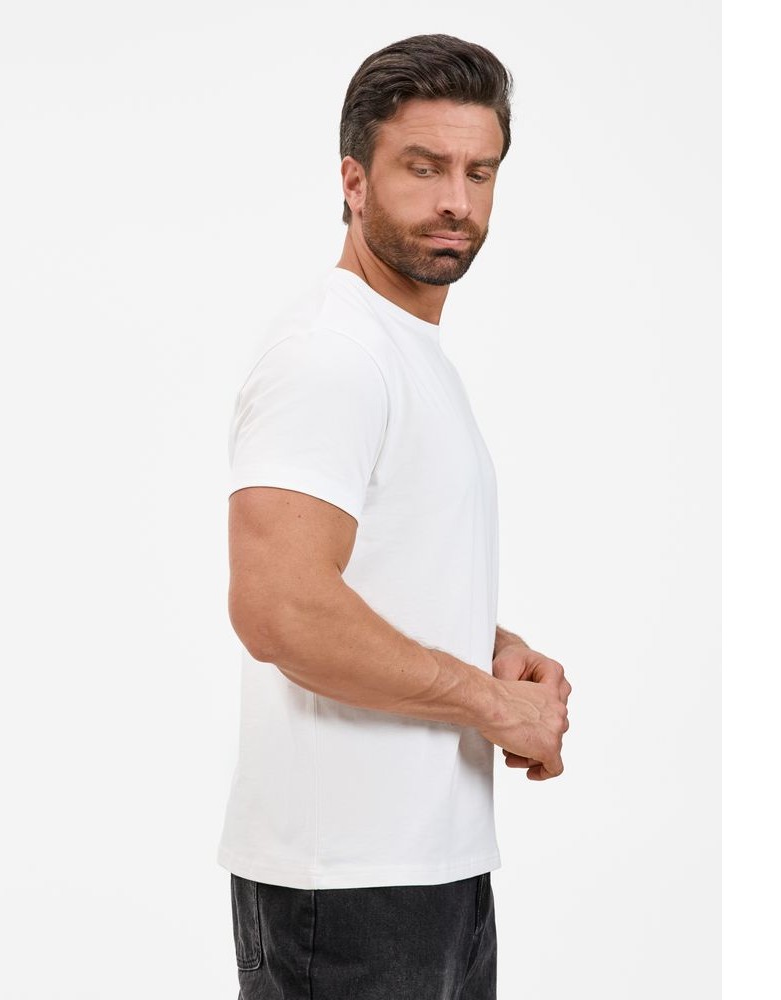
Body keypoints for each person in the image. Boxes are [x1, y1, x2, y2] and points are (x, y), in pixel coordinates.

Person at [218, 33, 572, 1000]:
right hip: (345, 886)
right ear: (353, 180)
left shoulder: (405, 349)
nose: (457, 199)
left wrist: (492, 646)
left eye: (479, 172)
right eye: (424, 167)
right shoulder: (331, 353)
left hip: (430, 869)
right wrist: (492, 704)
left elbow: (377, 575)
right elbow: (280, 609)